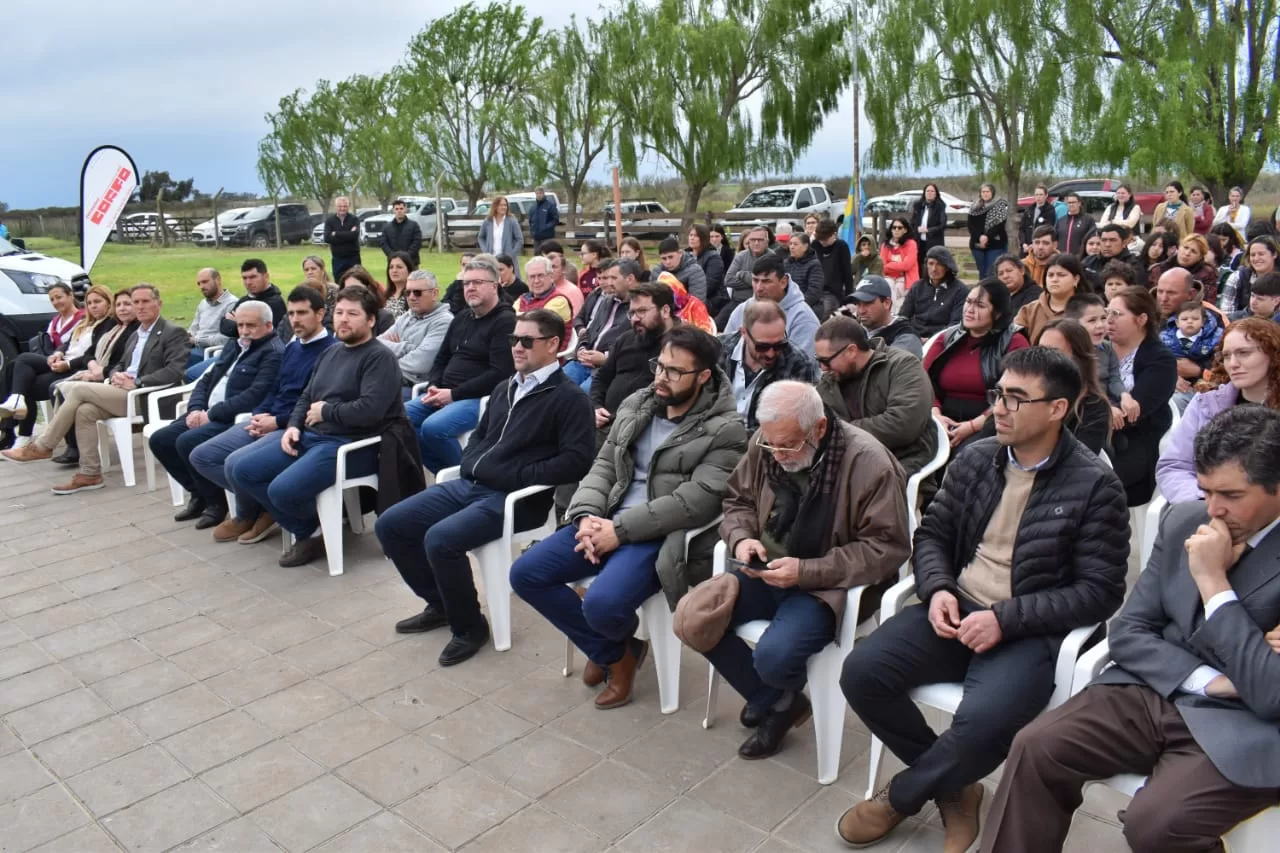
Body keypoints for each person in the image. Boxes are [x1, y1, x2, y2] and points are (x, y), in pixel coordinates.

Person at [836, 347, 1129, 851]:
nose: (999, 408)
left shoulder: (1095, 485)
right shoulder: (977, 457)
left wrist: (1006, 619)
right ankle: (956, 787)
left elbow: (1100, 591)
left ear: (1057, 408)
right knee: (861, 673)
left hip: (1028, 629)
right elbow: (932, 535)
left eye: (1016, 398)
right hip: (956, 608)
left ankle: (903, 795)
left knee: (985, 724)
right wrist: (937, 589)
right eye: (999, 394)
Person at [983, 405, 1280, 853]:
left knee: (1157, 824)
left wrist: (1213, 583)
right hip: (1152, 688)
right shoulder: (1185, 520)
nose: (1213, 510)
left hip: (1245, 725)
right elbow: (1129, 630)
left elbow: (1271, 693)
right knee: (1036, 746)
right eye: (1205, 491)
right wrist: (1210, 680)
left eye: (1231, 495)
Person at [512, 326, 746, 706]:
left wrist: (618, 531)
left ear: (703, 376)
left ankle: (611, 645)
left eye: (675, 371)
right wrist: (586, 515)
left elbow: (696, 502)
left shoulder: (726, 429)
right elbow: (604, 464)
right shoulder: (639, 402)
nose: (661, 377)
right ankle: (617, 652)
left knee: (601, 604)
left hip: (658, 535)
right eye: (660, 366)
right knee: (526, 574)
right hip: (606, 518)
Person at [378, 310, 595, 666]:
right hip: (472, 485)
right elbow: (480, 436)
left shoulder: (569, 398)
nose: (517, 347)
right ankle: (441, 604)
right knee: (391, 524)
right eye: (514, 339)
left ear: (553, 344)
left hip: (515, 500)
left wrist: (516, 474)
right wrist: (472, 462)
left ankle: (470, 628)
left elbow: (577, 461)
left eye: (527, 341)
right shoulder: (505, 386)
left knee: (440, 540)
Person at [709, 380, 910, 759]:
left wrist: (806, 571)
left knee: (773, 657)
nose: (778, 455)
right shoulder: (767, 443)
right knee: (693, 617)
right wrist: (741, 539)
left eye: (788, 445)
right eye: (771, 444)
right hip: (762, 570)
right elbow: (737, 500)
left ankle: (774, 697)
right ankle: (778, 701)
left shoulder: (869, 462)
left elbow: (887, 549)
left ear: (819, 427)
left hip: (826, 586)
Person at [227, 286, 403, 568]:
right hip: (312, 435)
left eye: (353, 314)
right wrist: (293, 426)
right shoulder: (331, 352)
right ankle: (312, 530)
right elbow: (306, 396)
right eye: (340, 312)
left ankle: (308, 534)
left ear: (371, 320)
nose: (343, 319)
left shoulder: (379, 358)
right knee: (243, 470)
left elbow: (371, 411)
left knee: (281, 490)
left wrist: (326, 411)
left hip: (351, 446)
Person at [4, 285, 188, 495]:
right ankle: (90, 473)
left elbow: (175, 371)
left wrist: (138, 382)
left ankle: (43, 446)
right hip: (122, 390)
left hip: (147, 396)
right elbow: (121, 364)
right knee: (85, 411)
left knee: (77, 390)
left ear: (159, 303)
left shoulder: (173, 332)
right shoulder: (137, 334)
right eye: (136, 302)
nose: (140, 306)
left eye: (145, 301)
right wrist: (116, 375)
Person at [190, 287, 338, 545]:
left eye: (302, 313)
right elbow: (275, 389)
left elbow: (312, 404)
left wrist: (276, 422)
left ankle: (284, 518)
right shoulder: (294, 347)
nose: (295, 320)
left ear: (320, 314)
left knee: (236, 464)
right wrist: (260, 415)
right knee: (202, 456)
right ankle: (262, 508)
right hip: (268, 418)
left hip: (293, 426)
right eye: (291, 313)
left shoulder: (330, 351)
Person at [150, 302, 283, 529]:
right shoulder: (234, 344)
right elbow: (206, 379)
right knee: (160, 440)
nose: (244, 331)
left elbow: (254, 395)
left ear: (268, 326)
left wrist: (211, 415)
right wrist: (195, 408)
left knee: (187, 442)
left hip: (231, 417)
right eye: (240, 325)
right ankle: (199, 494)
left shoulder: (273, 352)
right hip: (206, 411)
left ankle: (216, 503)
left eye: (251, 325)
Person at [408, 257, 517, 473]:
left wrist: (453, 394)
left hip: (480, 398)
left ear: (494, 285)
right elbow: (441, 359)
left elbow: (500, 373)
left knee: (434, 428)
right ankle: (447, 475)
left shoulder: (505, 321)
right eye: (466, 283)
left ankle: (469, 474)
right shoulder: (461, 318)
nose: (470, 288)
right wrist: (434, 385)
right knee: (401, 420)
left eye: (478, 282)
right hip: (443, 392)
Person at [1155, 317, 1280, 503]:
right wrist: (1208, 499)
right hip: (1207, 506)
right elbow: (1175, 466)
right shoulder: (1206, 403)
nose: (1233, 363)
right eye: (1227, 356)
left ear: (1273, 354)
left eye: (1244, 353)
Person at [815, 315, 937, 476]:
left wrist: (839, 432)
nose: (822, 368)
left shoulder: (902, 366)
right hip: (846, 460)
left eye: (826, 360)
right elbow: (817, 424)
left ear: (851, 351)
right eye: (818, 360)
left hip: (899, 460)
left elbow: (903, 424)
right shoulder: (830, 380)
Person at [0, 285, 118, 450]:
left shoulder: (105, 324)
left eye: (97, 302)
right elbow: (67, 344)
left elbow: (90, 354)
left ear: (71, 296)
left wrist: (66, 363)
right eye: (90, 303)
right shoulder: (84, 322)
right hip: (61, 360)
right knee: (16, 367)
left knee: (22, 373)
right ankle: (17, 410)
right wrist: (57, 354)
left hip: (75, 367)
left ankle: (18, 428)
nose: (93, 306)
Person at [925, 279, 1030, 449]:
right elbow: (922, 381)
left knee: (968, 455)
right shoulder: (947, 338)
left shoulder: (1014, 342)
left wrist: (972, 426)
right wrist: (935, 414)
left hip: (990, 422)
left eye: (980, 305)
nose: (970, 309)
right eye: (968, 302)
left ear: (998, 313)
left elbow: (1014, 394)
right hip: (941, 418)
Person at [1106, 286, 1177, 506]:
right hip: (1093, 431)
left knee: (1090, 481)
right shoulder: (1098, 349)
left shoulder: (1160, 359)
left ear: (1141, 319)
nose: (1108, 320)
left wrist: (1099, 412)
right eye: (1107, 312)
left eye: (1117, 314)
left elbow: (1134, 412)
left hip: (1135, 439)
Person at [718, 300, 819, 432]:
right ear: (744, 333)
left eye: (779, 345)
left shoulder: (798, 363)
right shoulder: (717, 350)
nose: (771, 354)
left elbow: (789, 424)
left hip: (765, 439)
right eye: (762, 347)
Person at [591, 282, 678, 435]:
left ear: (665, 311)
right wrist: (595, 406)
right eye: (632, 313)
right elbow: (602, 378)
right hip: (606, 422)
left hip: (646, 428)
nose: (635, 319)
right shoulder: (626, 339)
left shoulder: (682, 346)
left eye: (642, 311)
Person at [1, 282, 85, 418]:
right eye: (52, 299)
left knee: (23, 362)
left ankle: (14, 416)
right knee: (13, 368)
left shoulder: (82, 319)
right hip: (52, 360)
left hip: (70, 363)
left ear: (70, 295)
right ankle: (15, 406)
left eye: (59, 297)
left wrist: (60, 356)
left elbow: (75, 346)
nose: (56, 302)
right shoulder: (55, 322)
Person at [1029, 320, 1113, 454]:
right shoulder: (1023, 396)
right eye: (1040, 350)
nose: (1044, 358)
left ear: (1078, 360)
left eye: (1054, 353)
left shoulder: (1094, 406)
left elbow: (1082, 459)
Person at [721, 255, 820, 357]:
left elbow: (804, 362)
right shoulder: (742, 310)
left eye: (766, 281)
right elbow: (725, 351)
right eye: (755, 280)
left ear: (783, 282)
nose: (759, 288)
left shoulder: (803, 318)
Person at [377, 269, 453, 396]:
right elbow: (376, 344)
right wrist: (409, 347)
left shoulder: (444, 322)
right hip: (392, 378)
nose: (411, 297)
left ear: (434, 294)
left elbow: (420, 364)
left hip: (415, 387)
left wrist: (388, 357)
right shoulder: (407, 316)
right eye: (407, 292)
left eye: (417, 292)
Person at [565, 259, 635, 390]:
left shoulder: (638, 309)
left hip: (608, 368)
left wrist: (605, 358)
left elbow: (634, 346)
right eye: (606, 278)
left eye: (613, 278)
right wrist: (581, 349)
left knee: (583, 394)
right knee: (554, 385)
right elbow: (589, 331)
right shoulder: (606, 301)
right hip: (583, 362)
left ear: (630, 279)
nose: (608, 283)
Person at [1015, 252, 1088, 343]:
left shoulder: (1088, 309)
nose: (1054, 279)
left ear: (1076, 279)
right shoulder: (1029, 310)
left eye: (1061, 275)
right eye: (1050, 275)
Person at [1064, 292, 1124, 403]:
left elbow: (1114, 378)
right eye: (1092, 320)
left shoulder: (1107, 348)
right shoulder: (1067, 351)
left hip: (1106, 404)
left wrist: (1124, 395)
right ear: (1073, 324)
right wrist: (1108, 407)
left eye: (1103, 318)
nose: (1100, 325)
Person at [845, 275, 923, 357]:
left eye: (867, 303)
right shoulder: (855, 331)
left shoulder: (907, 337)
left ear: (887, 303)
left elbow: (888, 364)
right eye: (857, 304)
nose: (861, 311)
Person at [899, 246, 967, 339]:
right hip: (913, 337)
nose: (934, 269)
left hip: (941, 340)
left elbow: (955, 325)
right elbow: (903, 317)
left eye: (939, 264)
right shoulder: (917, 287)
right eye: (931, 263)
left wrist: (930, 340)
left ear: (947, 267)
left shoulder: (960, 291)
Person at [184, 268, 237, 379]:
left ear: (218, 280)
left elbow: (227, 339)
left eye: (205, 282)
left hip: (213, 351)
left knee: (181, 359)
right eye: (199, 283)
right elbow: (193, 328)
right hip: (196, 347)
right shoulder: (203, 304)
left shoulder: (232, 304)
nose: (201, 286)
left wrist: (197, 340)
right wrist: (186, 336)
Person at [218, 259, 286, 345]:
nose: (248, 282)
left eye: (253, 277)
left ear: (266, 276)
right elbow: (223, 325)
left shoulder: (275, 303)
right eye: (244, 278)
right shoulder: (243, 300)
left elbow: (262, 333)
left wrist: (237, 322)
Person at [720, 226, 772, 328]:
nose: (756, 243)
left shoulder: (771, 257)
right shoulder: (740, 256)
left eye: (760, 240)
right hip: (737, 302)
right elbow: (728, 280)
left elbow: (767, 283)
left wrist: (742, 275)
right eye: (753, 240)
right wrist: (754, 282)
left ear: (767, 242)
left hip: (762, 304)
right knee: (717, 324)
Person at [1219, 235, 1279, 315]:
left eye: (1261, 254)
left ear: (1274, 254)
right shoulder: (1238, 277)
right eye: (1253, 255)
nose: (1256, 258)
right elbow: (1226, 314)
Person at [1152, 234, 1219, 300]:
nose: (1187, 253)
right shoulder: (1158, 269)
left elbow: (1208, 301)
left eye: (1193, 251)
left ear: (1200, 257)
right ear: (1179, 247)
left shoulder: (1207, 273)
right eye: (1185, 247)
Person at [968, 183, 1009, 279]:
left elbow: (999, 225)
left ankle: (991, 288)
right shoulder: (974, 207)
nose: (985, 194)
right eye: (983, 192)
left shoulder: (1000, 205)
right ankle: (982, 288)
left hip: (995, 243)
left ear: (992, 193)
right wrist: (980, 237)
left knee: (991, 272)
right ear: (980, 193)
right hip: (977, 244)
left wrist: (986, 236)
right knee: (982, 272)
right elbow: (971, 225)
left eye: (988, 191)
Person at [783, 232, 829, 319]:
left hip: (809, 308)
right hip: (788, 306)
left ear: (805, 246)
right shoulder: (786, 263)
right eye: (790, 244)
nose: (791, 247)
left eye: (795, 244)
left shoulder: (814, 264)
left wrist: (798, 305)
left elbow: (814, 291)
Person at [516, 255, 574, 324]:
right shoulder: (523, 298)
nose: (536, 281)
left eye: (540, 275)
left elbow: (537, 323)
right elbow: (510, 317)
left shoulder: (559, 300)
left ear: (551, 277)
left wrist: (517, 316)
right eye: (532, 277)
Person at [879, 217, 919, 311]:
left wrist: (890, 265)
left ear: (905, 230)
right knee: (888, 286)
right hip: (889, 277)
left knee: (898, 288)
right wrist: (899, 264)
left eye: (899, 228)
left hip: (906, 278)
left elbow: (907, 265)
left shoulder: (911, 244)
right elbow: (882, 266)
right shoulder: (885, 245)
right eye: (894, 227)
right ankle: (891, 313)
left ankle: (894, 313)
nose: (896, 230)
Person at [813, 218, 854, 306]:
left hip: (833, 292)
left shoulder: (841, 246)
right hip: (816, 290)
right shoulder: (815, 244)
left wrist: (850, 298)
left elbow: (847, 273)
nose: (822, 242)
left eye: (825, 239)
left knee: (824, 308)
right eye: (820, 239)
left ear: (834, 235)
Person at [688, 224, 726, 315]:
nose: (692, 238)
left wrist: (688, 296)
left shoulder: (713, 257)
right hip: (690, 297)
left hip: (712, 301)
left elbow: (710, 285)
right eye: (690, 235)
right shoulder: (685, 256)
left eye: (696, 236)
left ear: (704, 238)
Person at [656, 236, 706, 301]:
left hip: (688, 306)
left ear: (680, 253)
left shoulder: (695, 271)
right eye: (664, 258)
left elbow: (697, 302)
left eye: (671, 257)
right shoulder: (657, 271)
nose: (668, 262)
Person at [323, 197, 363, 280]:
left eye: (345, 206)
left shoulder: (354, 219)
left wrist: (336, 233)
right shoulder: (330, 221)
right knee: (339, 282)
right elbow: (327, 238)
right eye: (340, 206)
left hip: (353, 258)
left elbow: (354, 236)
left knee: (357, 281)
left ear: (348, 207)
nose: (342, 208)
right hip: (338, 258)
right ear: (336, 207)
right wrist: (348, 234)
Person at [912, 183, 949, 270]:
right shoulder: (918, 206)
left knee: (933, 266)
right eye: (927, 191)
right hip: (919, 242)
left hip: (934, 242)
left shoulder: (940, 206)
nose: (929, 193)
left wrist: (928, 230)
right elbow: (912, 222)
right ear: (924, 193)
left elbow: (942, 225)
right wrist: (915, 229)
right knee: (919, 265)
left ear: (936, 193)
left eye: (932, 191)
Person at [379, 199, 423, 266]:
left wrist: (406, 256)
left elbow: (417, 242)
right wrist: (393, 256)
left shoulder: (414, 225)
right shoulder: (387, 228)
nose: (399, 211)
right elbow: (383, 243)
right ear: (393, 210)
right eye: (396, 209)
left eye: (401, 208)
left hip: (411, 262)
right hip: (394, 263)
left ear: (405, 209)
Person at [1053, 193, 1098, 257]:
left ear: (1079, 203)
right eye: (1069, 203)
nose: (1071, 204)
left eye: (1073, 202)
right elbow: (1054, 238)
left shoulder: (1088, 220)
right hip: (1062, 258)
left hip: (1080, 258)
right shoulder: (1061, 221)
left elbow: (1093, 238)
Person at [1018, 184, 1057, 254]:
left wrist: (1034, 244)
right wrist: (1023, 243)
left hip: (1039, 248)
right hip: (1026, 248)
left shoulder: (1050, 210)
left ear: (1046, 195)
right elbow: (1022, 228)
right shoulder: (1029, 209)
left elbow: (1047, 230)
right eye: (1036, 194)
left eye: (1041, 194)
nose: (1038, 197)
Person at [382, 251, 414, 317]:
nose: (394, 271)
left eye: (399, 267)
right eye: (391, 267)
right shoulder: (385, 296)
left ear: (409, 270)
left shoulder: (414, 295)